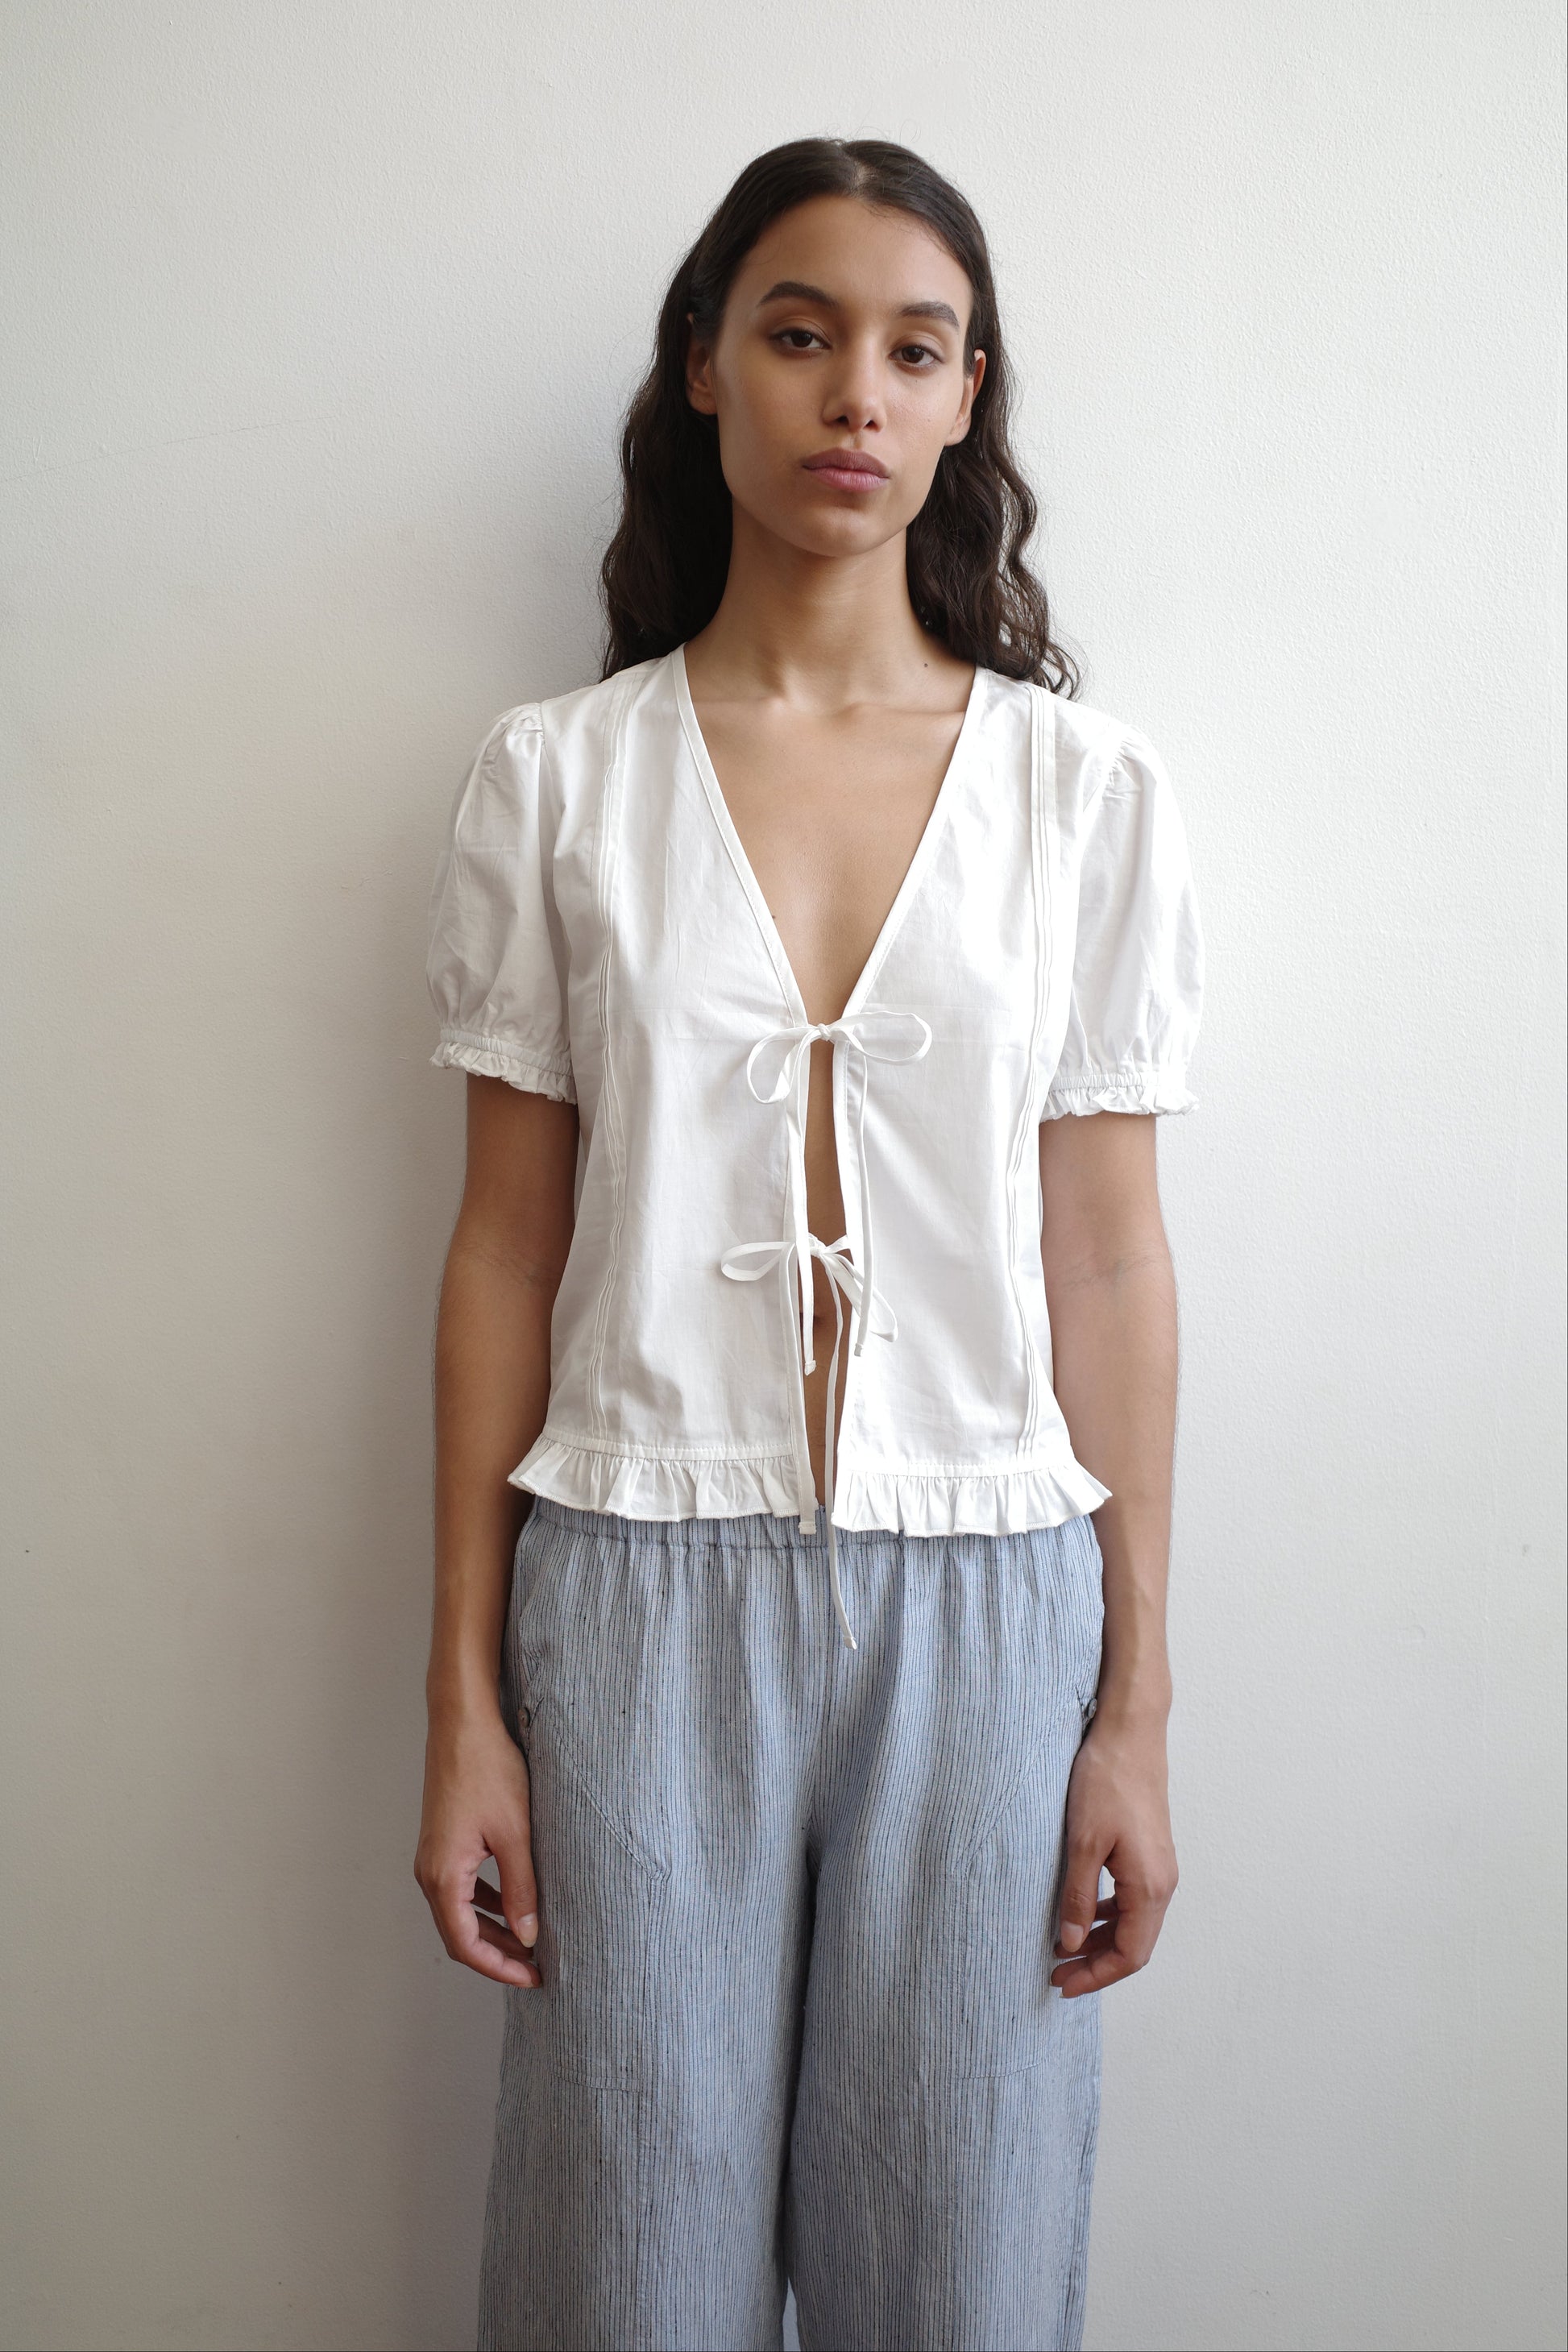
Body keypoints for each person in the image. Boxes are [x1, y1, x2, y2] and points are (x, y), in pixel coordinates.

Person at [416, 135, 1205, 2352]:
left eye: (911, 346)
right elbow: (499, 1252)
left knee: (954, 2278)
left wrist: (1130, 1709)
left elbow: (1115, 1265)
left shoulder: (1085, 796)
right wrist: (462, 1705)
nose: (853, 389)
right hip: (636, 1583)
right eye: (796, 332)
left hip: (992, 1595)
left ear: (966, 404)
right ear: (703, 377)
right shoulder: (552, 781)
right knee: (618, 2285)